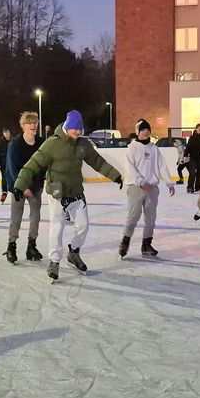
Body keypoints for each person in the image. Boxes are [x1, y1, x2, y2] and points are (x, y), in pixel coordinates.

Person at [13, 109, 123, 283]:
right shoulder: (52, 144)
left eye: (81, 129)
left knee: (84, 226)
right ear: (67, 126)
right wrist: (20, 185)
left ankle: (73, 252)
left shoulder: (83, 144)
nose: (78, 132)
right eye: (75, 129)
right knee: (57, 227)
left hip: (76, 192)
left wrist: (115, 175)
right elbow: (32, 164)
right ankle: (54, 261)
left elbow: (97, 161)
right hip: (57, 192)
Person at [119, 119, 175, 259]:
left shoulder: (154, 149)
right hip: (136, 188)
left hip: (152, 189)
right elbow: (129, 168)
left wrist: (169, 182)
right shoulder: (132, 147)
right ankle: (125, 242)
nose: (146, 132)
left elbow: (162, 166)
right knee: (133, 216)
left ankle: (146, 244)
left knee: (150, 219)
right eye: (143, 130)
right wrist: (141, 181)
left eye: (147, 130)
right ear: (138, 132)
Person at [4, 111, 45, 263]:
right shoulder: (15, 143)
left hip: (35, 187)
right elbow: (12, 167)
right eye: (30, 123)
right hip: (18, 186)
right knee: (16, 217)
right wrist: (21, 186)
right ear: (23, 126)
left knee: (35, 217)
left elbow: (45, 163)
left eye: (35, 122)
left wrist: (40, 183)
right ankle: (11, 246)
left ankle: (31, 246)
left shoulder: (41, 142)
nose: (33, 125)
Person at [185, 124, 200, 193]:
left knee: (199, 173)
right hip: (193, 158)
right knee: (192, 173)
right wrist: (185, 155)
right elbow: (188, 147)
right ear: (196, 129)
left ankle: (198, 187)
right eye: (199, 128)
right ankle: (190, 187)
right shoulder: (192, 138)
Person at [0, 128, 12, 203]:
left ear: (9, 132)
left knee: (15, 178)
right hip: (4, 165)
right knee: (4, 179)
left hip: (13, 164)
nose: (6, 134)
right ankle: (4, 193)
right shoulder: (0, 142)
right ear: (3, 133)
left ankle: (18, 193)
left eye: (7, 132)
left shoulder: (14, 141)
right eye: (4, 132)